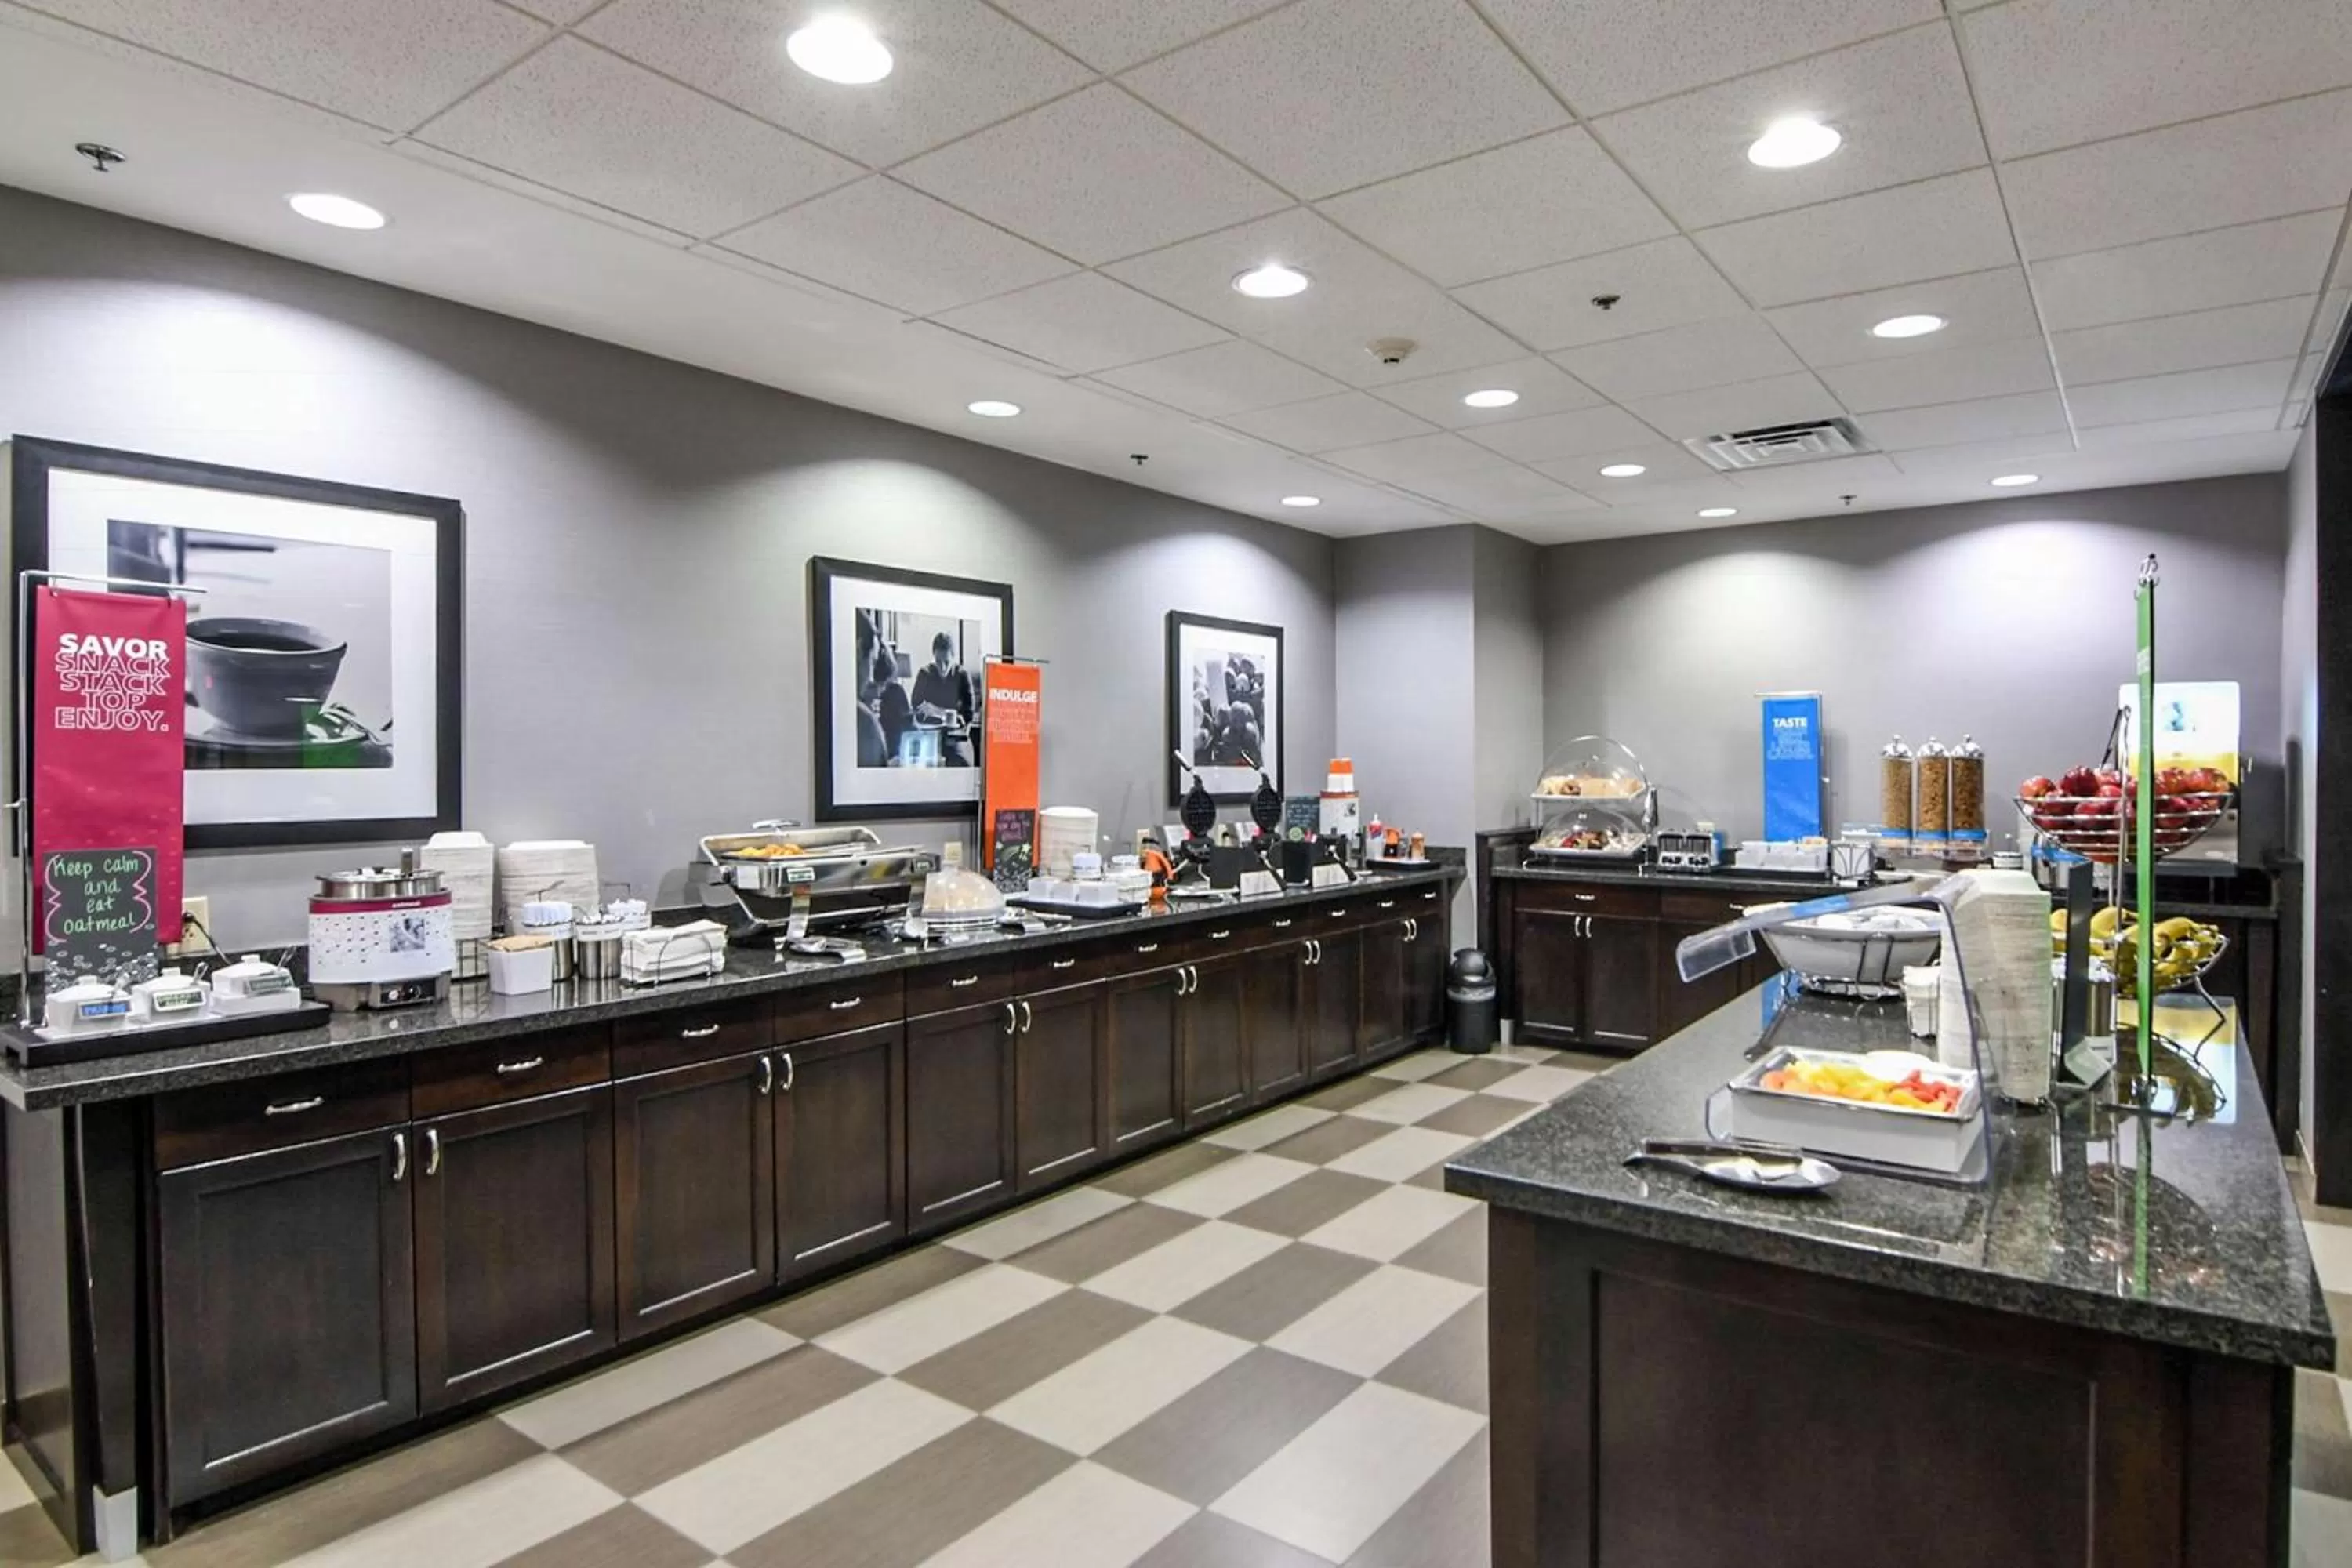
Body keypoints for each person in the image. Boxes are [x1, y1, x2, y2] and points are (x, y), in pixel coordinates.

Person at [910, 632, 979, 766]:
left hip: (955, 737)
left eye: (946, 662)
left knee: (961, 762)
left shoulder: (962, 676)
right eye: (938, 662)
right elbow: (915, 704)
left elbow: (969, 714)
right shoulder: (924, 674)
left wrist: (937, 711)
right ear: (933, 656)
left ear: (954, 657)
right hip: (930, 735)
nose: (942, 668)